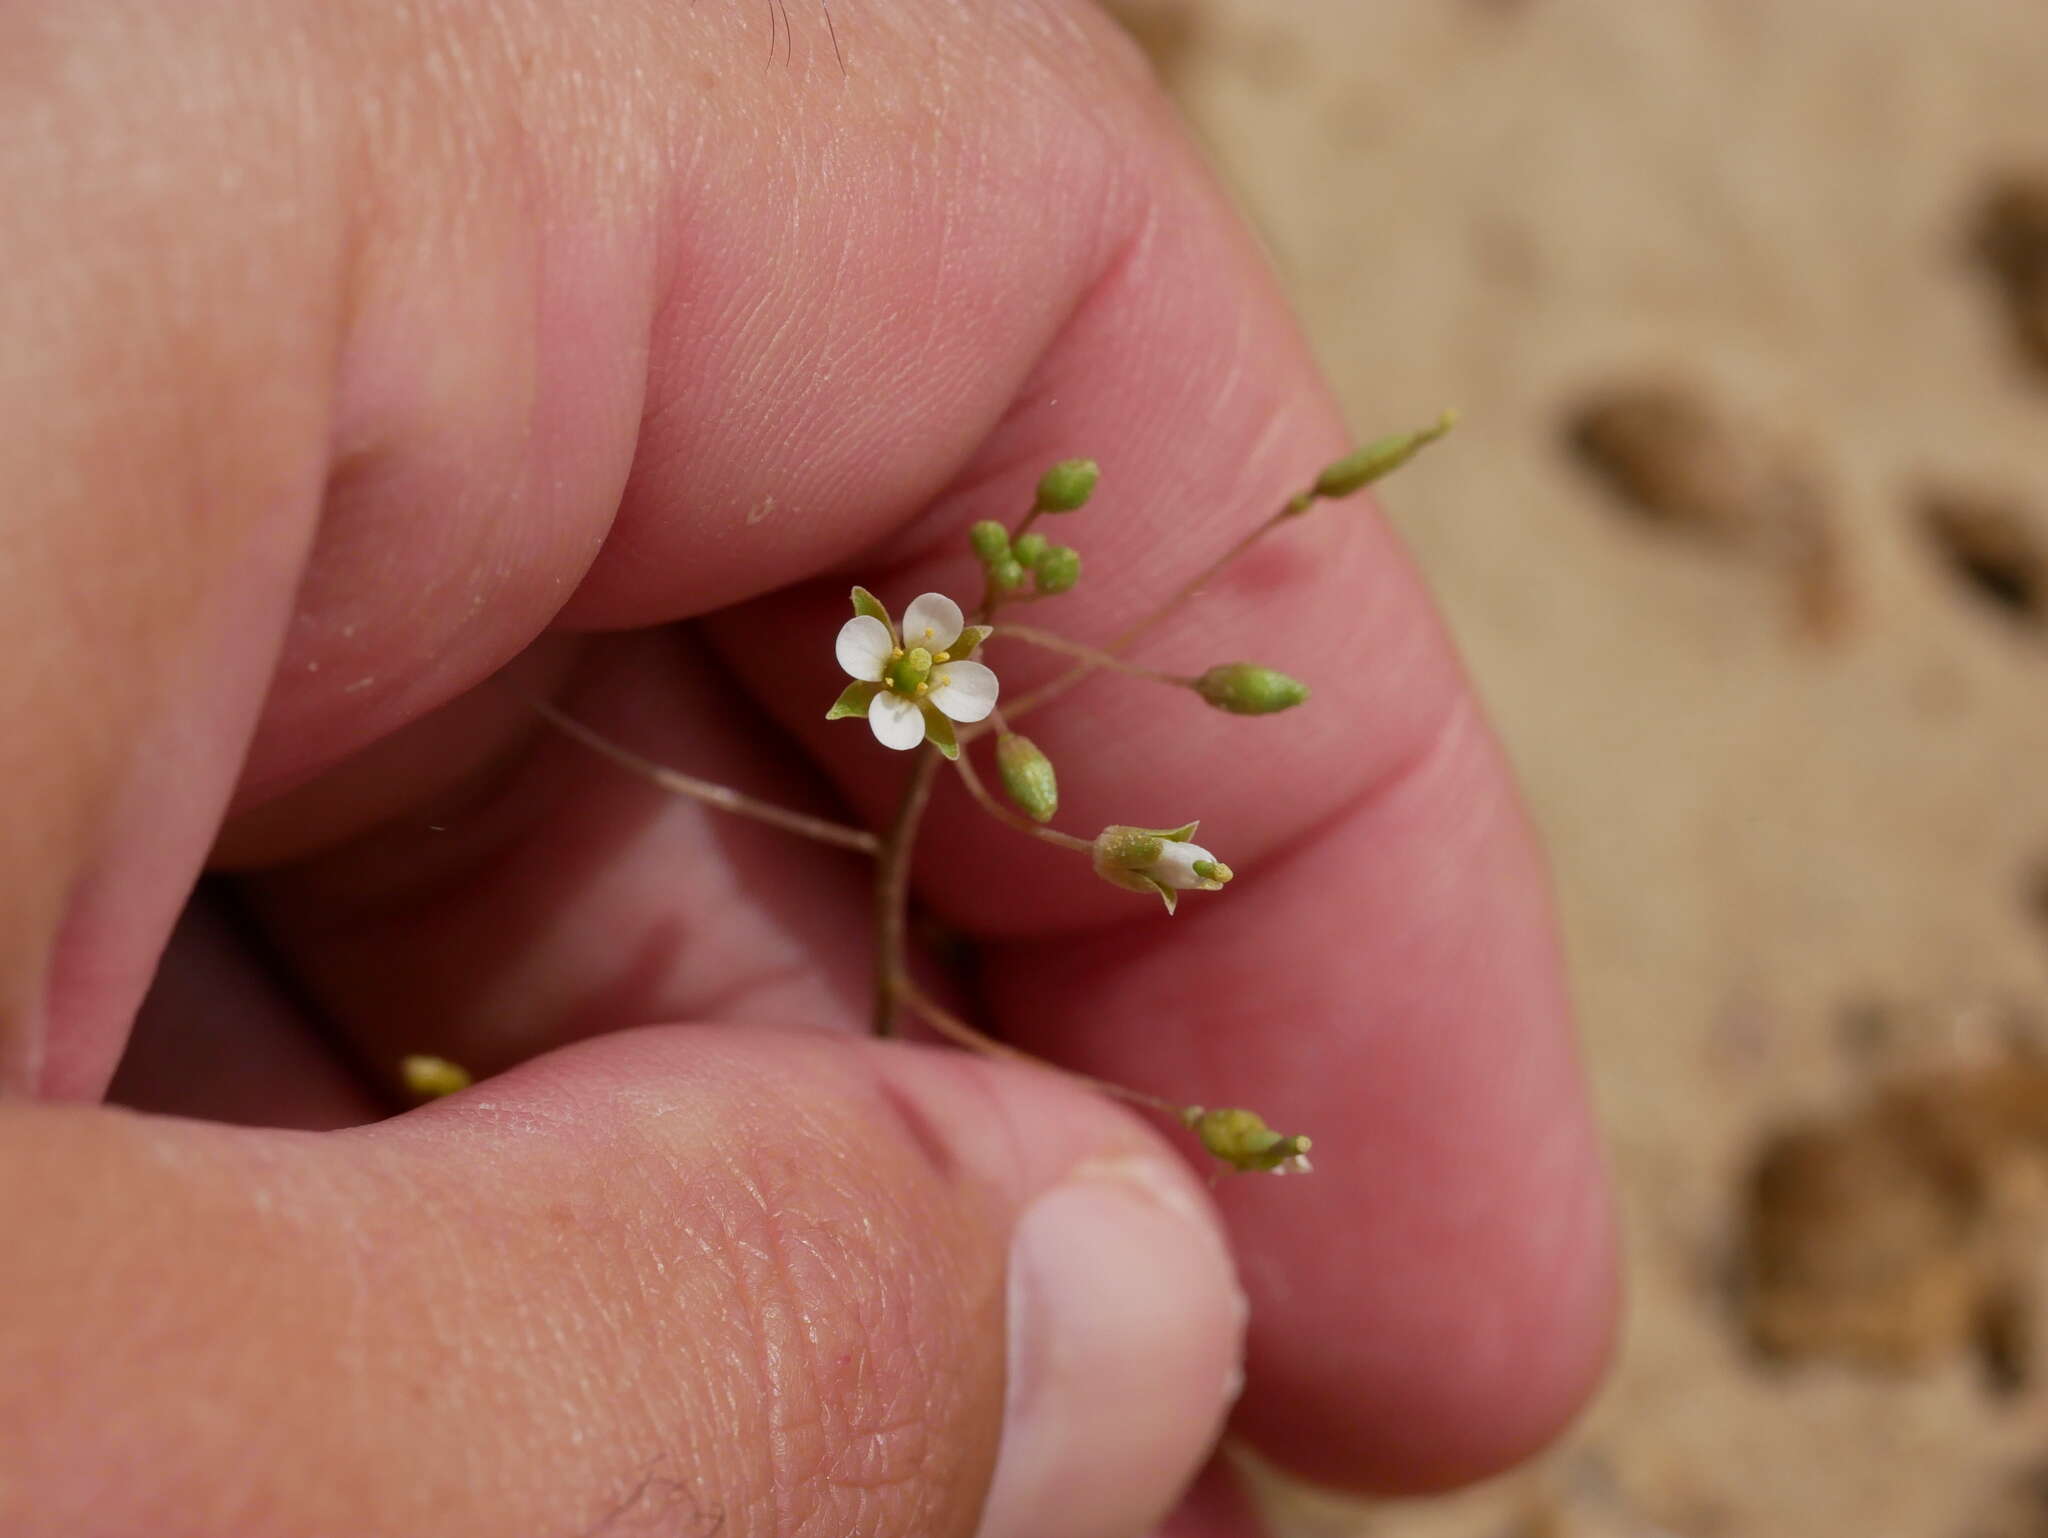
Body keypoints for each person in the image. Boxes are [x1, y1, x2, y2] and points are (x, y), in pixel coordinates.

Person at [0, 3, 1618, 1534]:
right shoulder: (923, 663)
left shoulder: (942, 677)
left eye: (923, 664)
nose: (916, 671)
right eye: (913, 662)